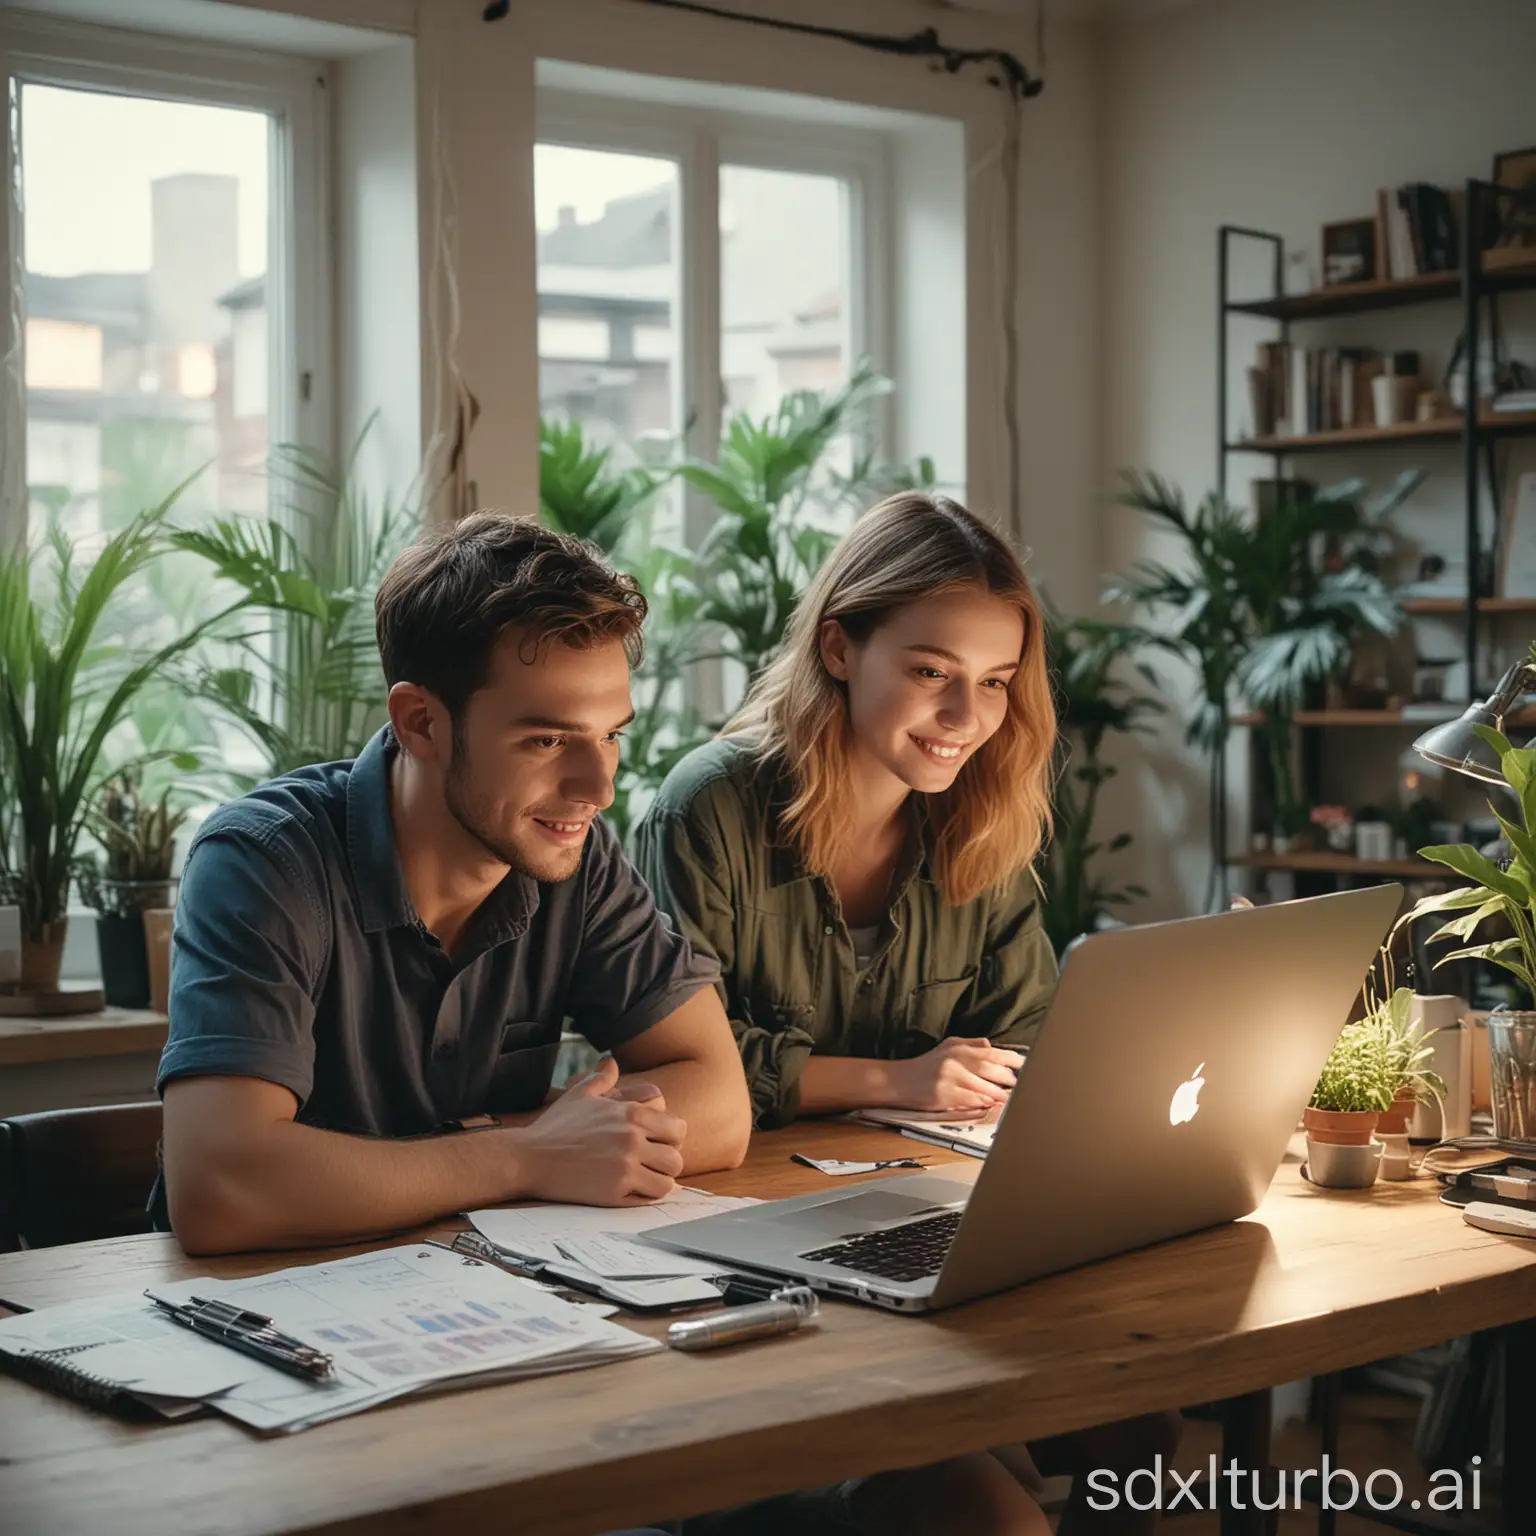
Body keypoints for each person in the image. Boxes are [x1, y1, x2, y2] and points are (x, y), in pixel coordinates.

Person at [636, 491, 1179, 1536]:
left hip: (919, 1214)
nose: (968, 718)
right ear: (840, 648)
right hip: (735, 1250)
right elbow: (666, 1065)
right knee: (984, 1508)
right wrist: (886, 1079)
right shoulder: (711, 808)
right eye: (932, 673)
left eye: (994, 683)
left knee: (1139, 1423)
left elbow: (1024, 1040)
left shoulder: (983, 815)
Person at [154, 513, 751, 1255]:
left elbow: (723, 1105)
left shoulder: (570, 852)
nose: (597, 786)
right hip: (256, 1315)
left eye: (611, 735)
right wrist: (529, 1153)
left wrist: (494, 1149)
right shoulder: (263, 863)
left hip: (488, 1296)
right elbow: (222, 1190)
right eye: (546, 740)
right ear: (422, 723)